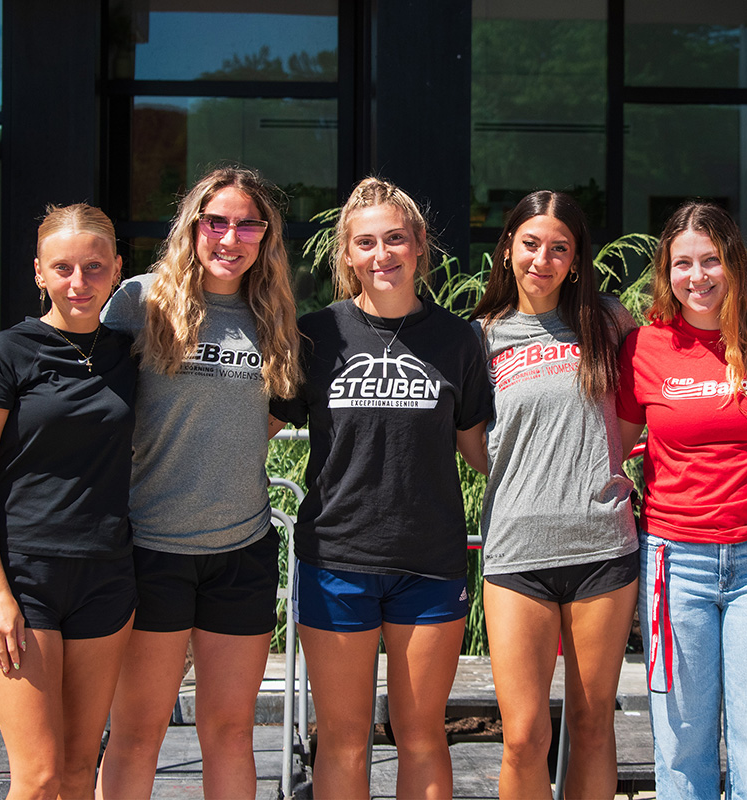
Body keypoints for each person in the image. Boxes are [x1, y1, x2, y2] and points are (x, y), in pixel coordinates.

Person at [269, 176, 491, 799]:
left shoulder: (458, 340)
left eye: (396, 238)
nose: (381, 254)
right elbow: (250, 433)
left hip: (431, 563)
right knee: (344, 740)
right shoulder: (315, 336)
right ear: (346, 255)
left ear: (420, 244)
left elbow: (480, 452)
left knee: (421, 734)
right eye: (365, 242)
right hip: (336, 558)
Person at [96, 166, 302, 800]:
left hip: (241, 551)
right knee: (137, 732)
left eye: (247, 224)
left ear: (265, 236)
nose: (231, 237)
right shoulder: (140, 300)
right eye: (218, 222)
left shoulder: (272, 313)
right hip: (151, 547)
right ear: (193, 227)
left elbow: (268, 415)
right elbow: (96, 406)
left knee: (231, 730)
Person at [470, 190, 639, 799]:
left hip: (602, 549)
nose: (543, 259)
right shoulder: (482, 335)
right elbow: (475, 446)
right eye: (531, 244)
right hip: (516, 553)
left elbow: (650, 394)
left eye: (559, 248)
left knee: (593, 727)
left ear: (576, 257)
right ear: (508, 248)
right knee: (523, 737)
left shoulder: (610, 320)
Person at [617, 201, 747, 799]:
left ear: (733, 263)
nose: (698, 276)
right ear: (666, 270)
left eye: (711, 260)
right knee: (681, 742)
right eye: (683, 262)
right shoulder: (645, 347)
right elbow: (615, 447)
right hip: (674, 564)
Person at [0, 203, 135, 799]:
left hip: (107, 576)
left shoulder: (130, 353)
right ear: (39, 273)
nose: (79, 283)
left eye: (94, 267)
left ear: (118, 268)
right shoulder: (6, 353)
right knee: (39, 776)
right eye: (63, 268)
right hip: (26, 578)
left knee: (78, 771)